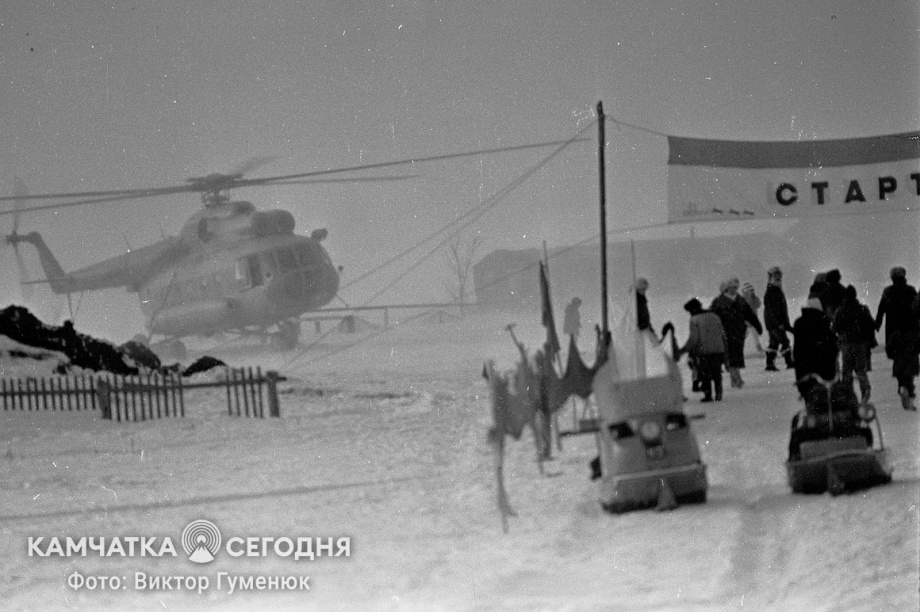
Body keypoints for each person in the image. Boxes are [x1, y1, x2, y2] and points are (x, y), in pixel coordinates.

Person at [875, 266, 920, 411]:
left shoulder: (888, 291)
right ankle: (909, 389)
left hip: (894, 332)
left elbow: (881, 310)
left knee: (899, 360)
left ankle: (902, 385)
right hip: (912, 331)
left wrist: (877, 324)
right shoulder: (911, 290)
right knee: (911, 361)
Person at [710, 277, 762, 389]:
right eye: (732, 287)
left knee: (736, 356)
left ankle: (734, 380)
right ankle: (737, 379)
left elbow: (749, 314)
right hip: (725, 333)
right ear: (727, 288)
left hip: (739, 333)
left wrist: (758, 325)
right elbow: (712, 318)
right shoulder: (718, 301)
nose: (734, 289)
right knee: (730, 356)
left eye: (736, 287)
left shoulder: (740, 300)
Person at [677, 298, 726, 402]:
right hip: (718, 348)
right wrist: (724, 347)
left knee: (705, 373)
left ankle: (708, 396)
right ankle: (719, 394)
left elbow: (694, 338)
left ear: (691, 310)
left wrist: (684, 349)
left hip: (703, 350)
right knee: (717, 372)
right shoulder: (715, 316)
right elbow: (723, 334)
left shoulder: (694, 319)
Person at [833, 285, 875, 403]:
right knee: (861, 369)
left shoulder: (840, 310)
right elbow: (870, 325)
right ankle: (865, 389)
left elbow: (835, 327)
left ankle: (848, 395)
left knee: (847, 371)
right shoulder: (862, 309)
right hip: (861, 343)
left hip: (846, 344)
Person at [792, 296, 839, 398]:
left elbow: (797, 351)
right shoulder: (824, 322)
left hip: (804, 372)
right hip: (825, 372)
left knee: (811, 402)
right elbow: (833, 348)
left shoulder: (799, 323)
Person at [763, 266, 794, 371]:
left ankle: (770, 364)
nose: (779, 279)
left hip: (773, 323)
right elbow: (772, 310)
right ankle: (789, 362)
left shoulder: (774, 290)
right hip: (775, 323)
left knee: (774, 343)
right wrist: (778, 323)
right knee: (784, 341)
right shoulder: (773, 292)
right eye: (777, 277)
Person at [741, 281, 765, 354]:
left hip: (751, 321)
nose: (751, 292)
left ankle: (759, 349)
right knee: (745, 335)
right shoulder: (742, 299)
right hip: (745, 321)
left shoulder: (753, 298)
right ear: (746, 291)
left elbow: (758, 305)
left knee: (754, 335)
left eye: (751, 290)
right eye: (749, 290)